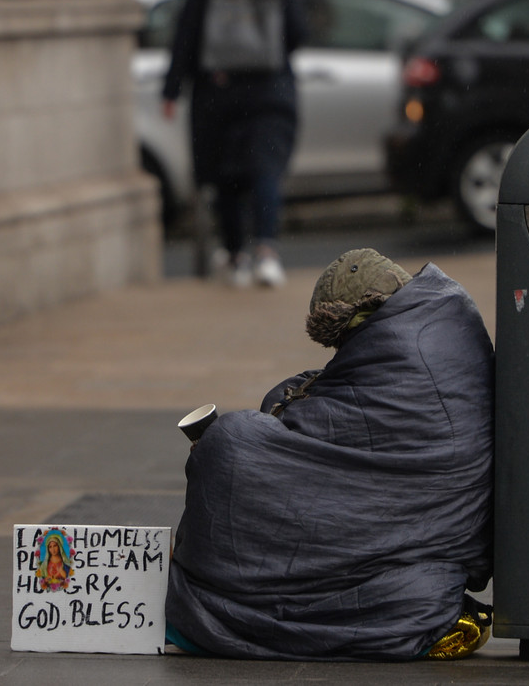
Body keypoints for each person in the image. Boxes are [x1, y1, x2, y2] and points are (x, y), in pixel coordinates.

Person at [165, 248, 496, 660]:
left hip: (423, 543)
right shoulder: (443, 319)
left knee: (228, 446)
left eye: (343, 341)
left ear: (361, 322)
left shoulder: (407, 347)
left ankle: (211, 598)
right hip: (428, 567)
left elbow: (343, 426)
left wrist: (271, 416)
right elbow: (353, 409)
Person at [161, 0, 307, 288]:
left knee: (228, 178)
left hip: (219, 94)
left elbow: (186, 37)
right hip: (270, 93)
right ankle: (266, 252)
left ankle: (237, 257)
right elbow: (296, 34)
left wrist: (171, 90)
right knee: (265, 173)